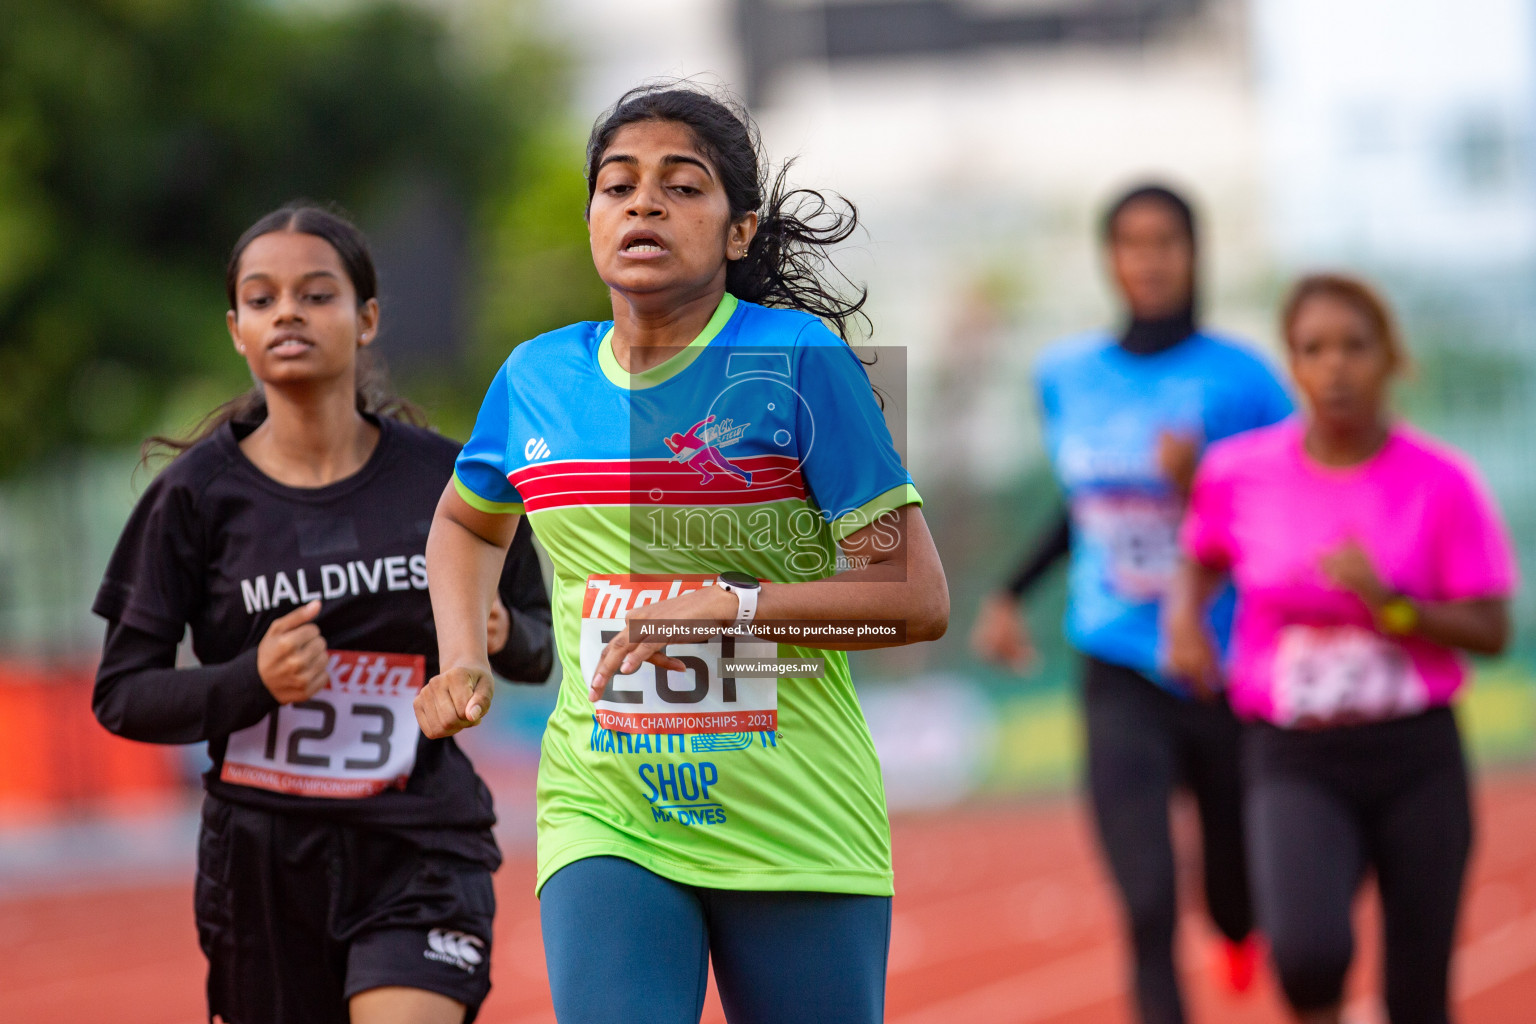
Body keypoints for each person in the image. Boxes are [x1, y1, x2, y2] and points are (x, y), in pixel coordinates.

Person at [419, 83, 949, 1024]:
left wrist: (732, 605)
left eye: (682, 186)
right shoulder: (536, 376)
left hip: (796, 815)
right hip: (606, 806)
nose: (643, 204)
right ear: (592, 219)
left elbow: (912, 599)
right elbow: (466, 523)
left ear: (740, 231)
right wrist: (463, 655)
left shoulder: (800, 361)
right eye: (617, 186)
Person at [91, 205, 554, 1024]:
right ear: (237, 330)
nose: (289, 315)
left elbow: (537, 649)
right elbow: (122, 694)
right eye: (262, 300)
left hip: (420, 844)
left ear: (366, 317)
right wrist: (250, 681)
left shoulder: (450, 481)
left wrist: (500, 635)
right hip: (263, 864)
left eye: (316, 294)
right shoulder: (194, 497)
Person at [971, 185, 1292, 1024]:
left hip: (1220, 665)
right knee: (1146, 900)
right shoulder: (1067, 375)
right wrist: (1009, 593)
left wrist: (1201, 490)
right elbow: (1085, 504)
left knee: (1234, 889)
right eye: (1132, 242)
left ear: (1195, 253)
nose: (1149, 259)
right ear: (1110, 258)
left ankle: (1238, 929)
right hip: (1114, 659)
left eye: (1167, 242)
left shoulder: (1246, 381)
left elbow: (1290, 516)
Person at [1167, 274, 1515, 1024]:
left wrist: (1390, 603)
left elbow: (1492, 630)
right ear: (1292, 366)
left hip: (1416, 755)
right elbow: (1200, 556)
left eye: (1354, 347)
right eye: (1312, 349)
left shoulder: (1440, 481)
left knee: (1418, 994)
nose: (1335, 368)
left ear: (1389, 358)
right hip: (1295, 754)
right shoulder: (1239, 472)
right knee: (1306, 953)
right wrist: (1184, 621)